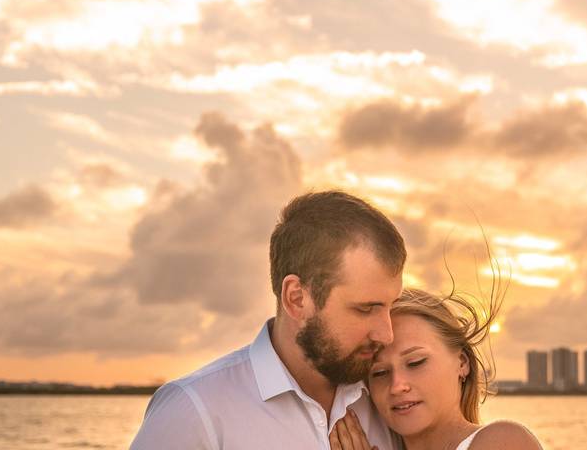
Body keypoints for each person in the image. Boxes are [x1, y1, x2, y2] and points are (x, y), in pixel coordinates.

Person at [130, 190, 407, 449]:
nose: (386, 334)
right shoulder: (192, 411)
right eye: (365, 309)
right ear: (296, 298)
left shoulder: (394, 401)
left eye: (390, 306)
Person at [330, 287, 542, 450]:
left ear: (462, 362)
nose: (397, 386)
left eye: (416, 362)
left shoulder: (502, 441)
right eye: (379, 373)